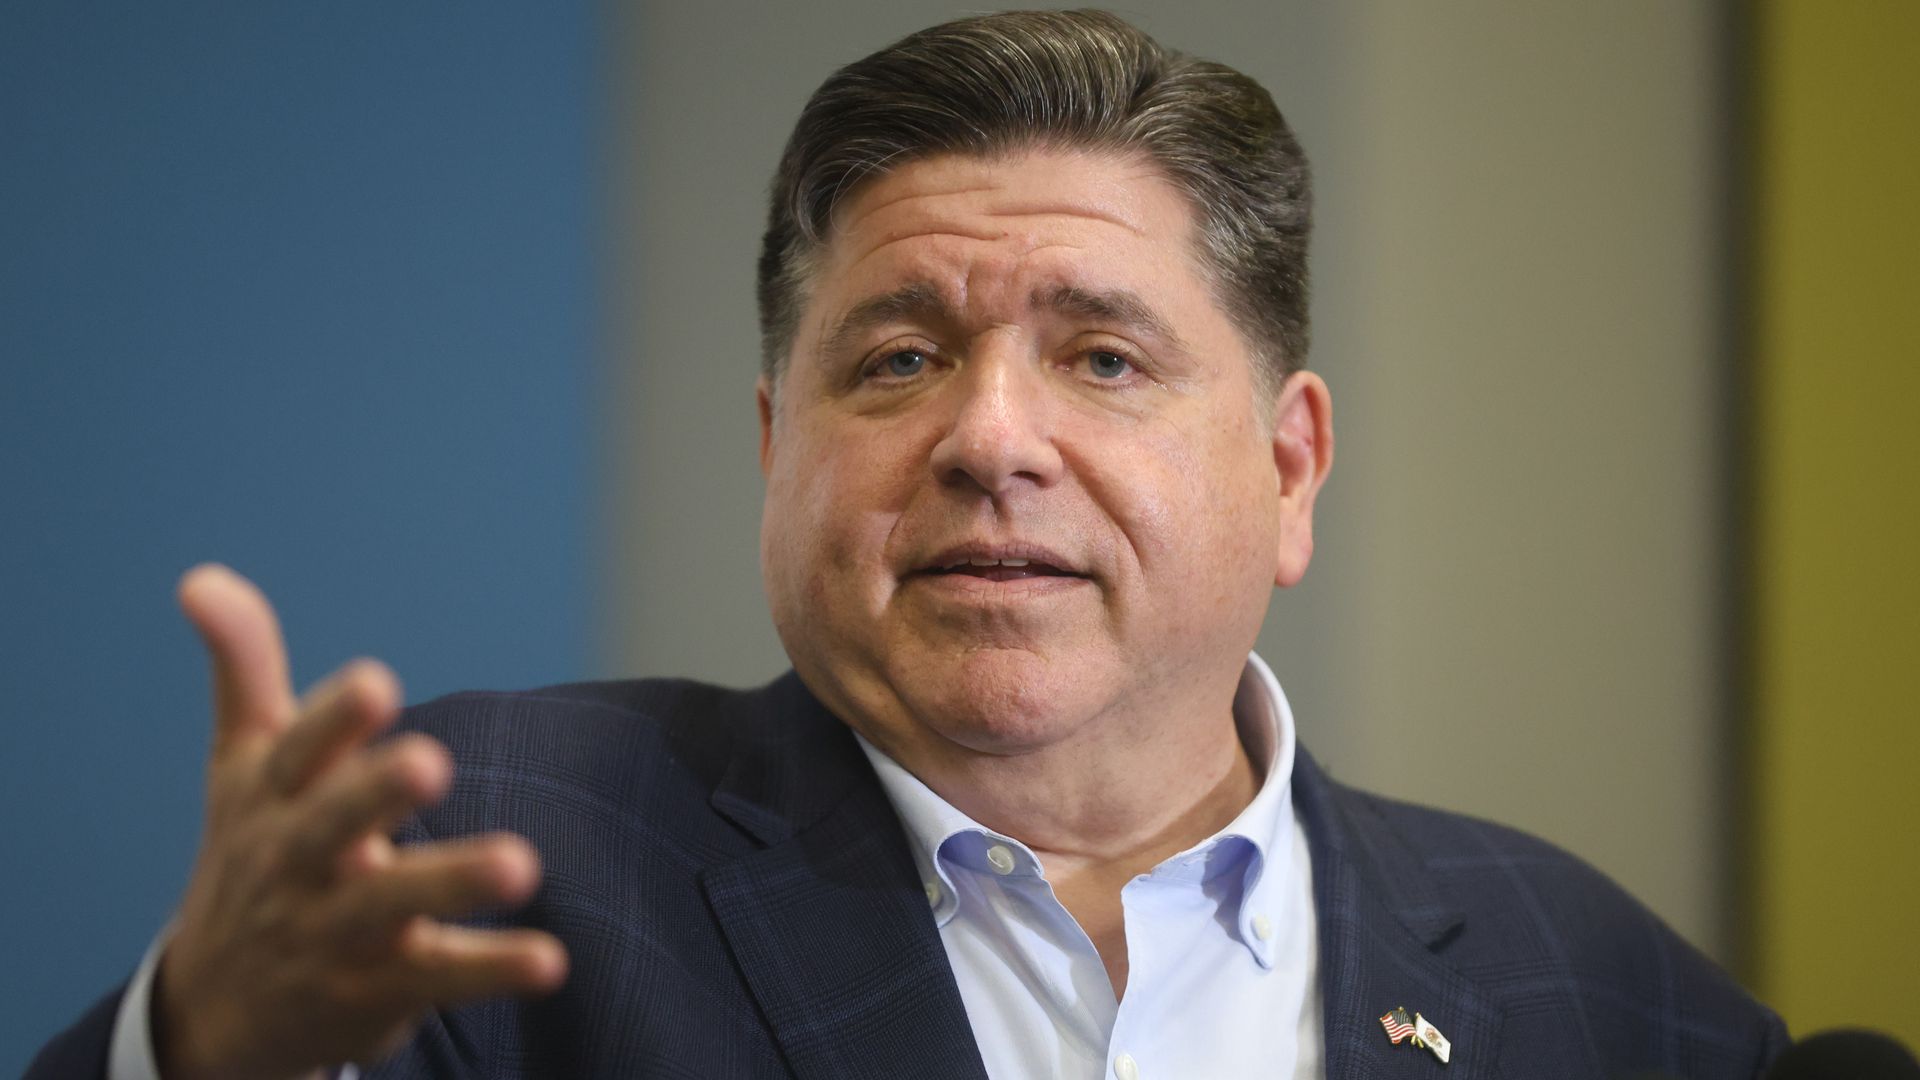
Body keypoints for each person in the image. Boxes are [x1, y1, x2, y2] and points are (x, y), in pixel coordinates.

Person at [31, 10, 1785, 1079]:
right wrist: (200, 1059)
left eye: (1102, 357)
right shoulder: (484, 856)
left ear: (1290, 463)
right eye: (899, 359)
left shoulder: (1604, 989)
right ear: (779, 447)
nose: (991, 437)